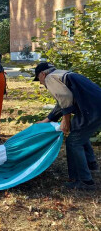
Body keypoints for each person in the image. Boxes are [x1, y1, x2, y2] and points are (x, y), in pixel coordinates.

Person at [34, 62, 101, 190]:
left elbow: (65, 97)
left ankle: (84, 181)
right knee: (78, 132)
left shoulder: (50, 78)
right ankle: (91, 165)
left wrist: (66, 120)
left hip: (92, 110)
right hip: (94, 107)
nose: (41, 83)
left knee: (73, 142)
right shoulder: (62, 74)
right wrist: (47, 120)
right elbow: (62, 103)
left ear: (42, 74)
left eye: (39, 79)